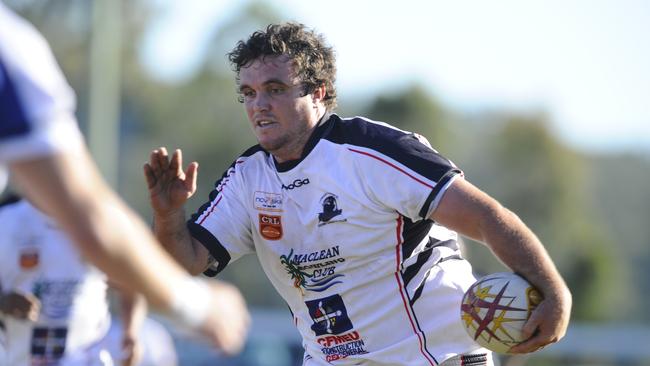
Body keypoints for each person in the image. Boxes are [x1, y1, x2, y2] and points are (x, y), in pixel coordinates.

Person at [144, 22, 572, 365]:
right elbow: (185, 263)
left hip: (436, 355)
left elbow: (486, 217)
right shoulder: (247, 178)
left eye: (275, 90)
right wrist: (168, 215)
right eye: (249, 94)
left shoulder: (371, 151)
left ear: (319, 93)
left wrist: (554, 292)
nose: (258, 105)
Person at [0, 1, 249, 355]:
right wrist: (198, 305)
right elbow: (93, 221)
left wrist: (131, 331)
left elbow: (124, 274)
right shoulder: (9, 50)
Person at [0, 194, 145, 365]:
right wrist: (3, 301)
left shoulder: (101, 220)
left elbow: (132, 284)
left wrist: (131, 332)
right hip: (18, 358)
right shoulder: (5, 220)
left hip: (88, 357)